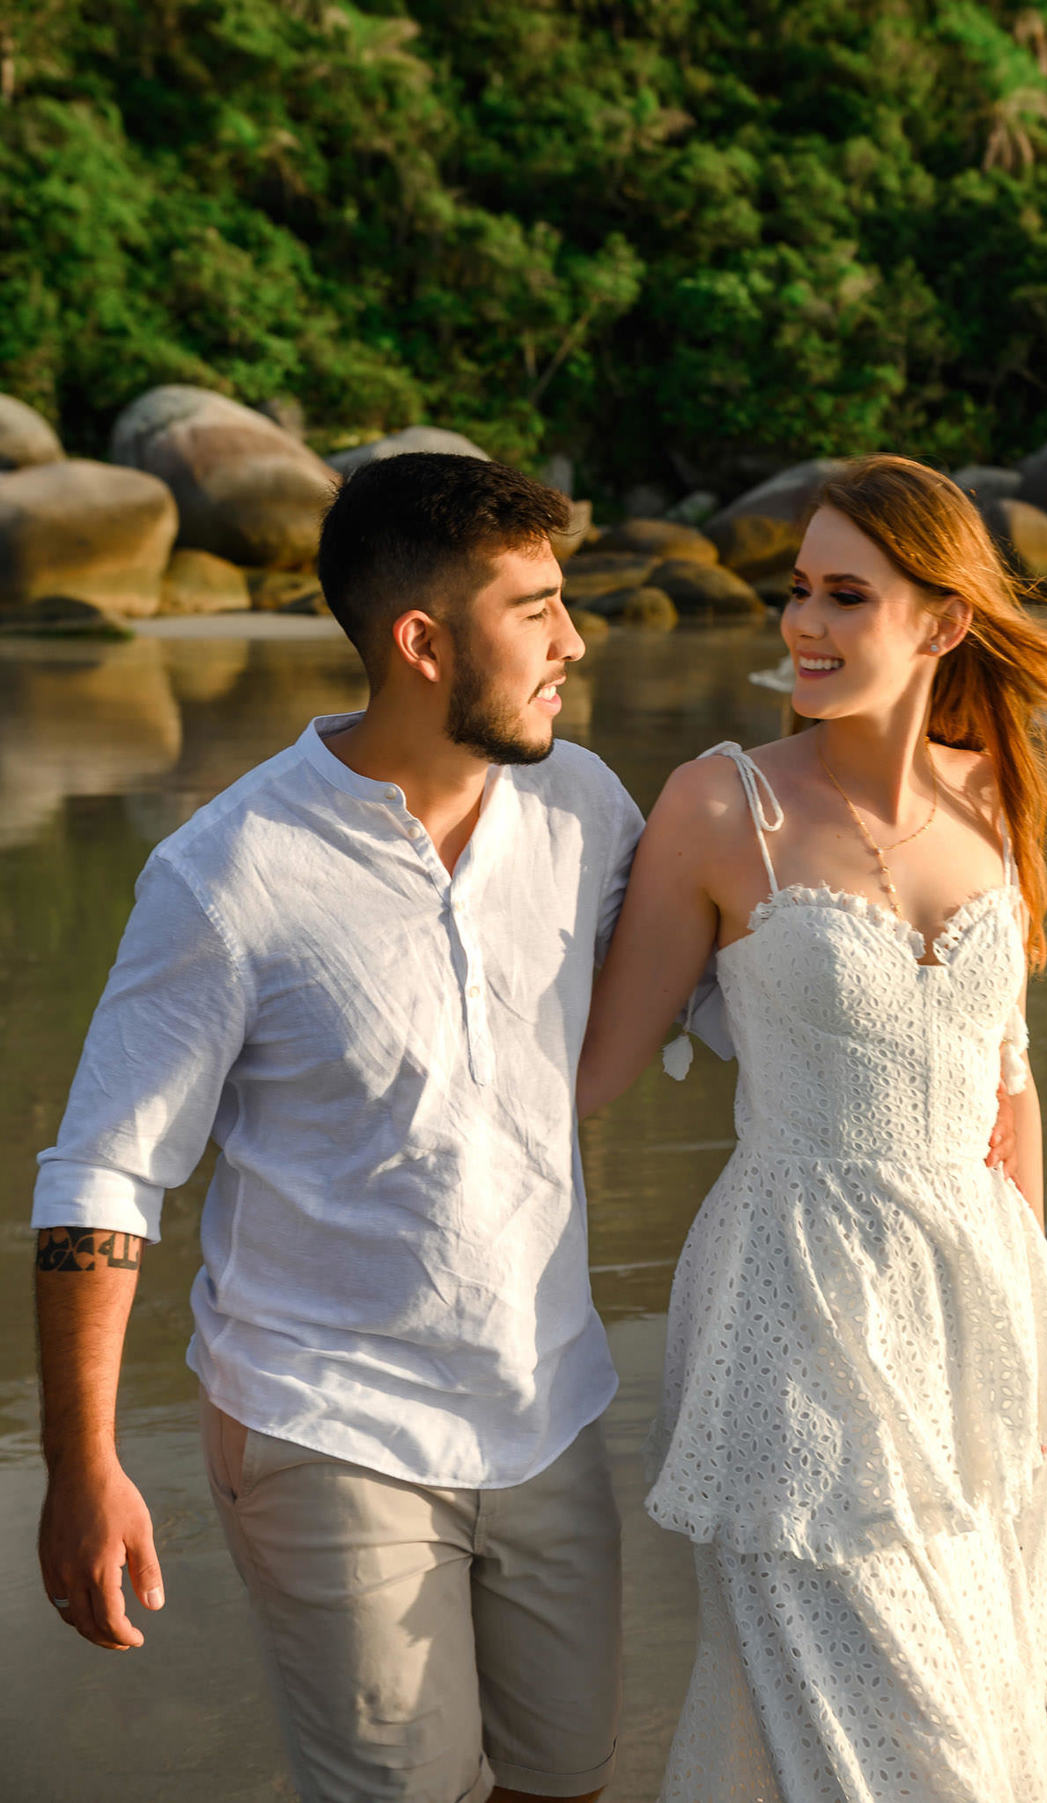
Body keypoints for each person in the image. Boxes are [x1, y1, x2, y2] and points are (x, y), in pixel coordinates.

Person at [577, 453, 1047, 1802]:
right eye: (796, 591)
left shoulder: (997, 795)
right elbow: (588, 1074)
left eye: (845, 596)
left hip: (969, 1322)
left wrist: (1022, 1345)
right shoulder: (719, 803)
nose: (801, 625)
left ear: (943, 621)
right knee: (911, 1743)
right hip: (790, 1305)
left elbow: (1008, 1086)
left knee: (938, 1714)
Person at [31, 454, 643, 1803]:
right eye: (535, 606)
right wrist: (84, 1468)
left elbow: (727, 971)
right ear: (422, 643)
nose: (574, 639)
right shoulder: (229, 870)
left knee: (569, 1783)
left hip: (550, 1402)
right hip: (329, 1425)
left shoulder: (584, 807)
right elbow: (103, 1179)